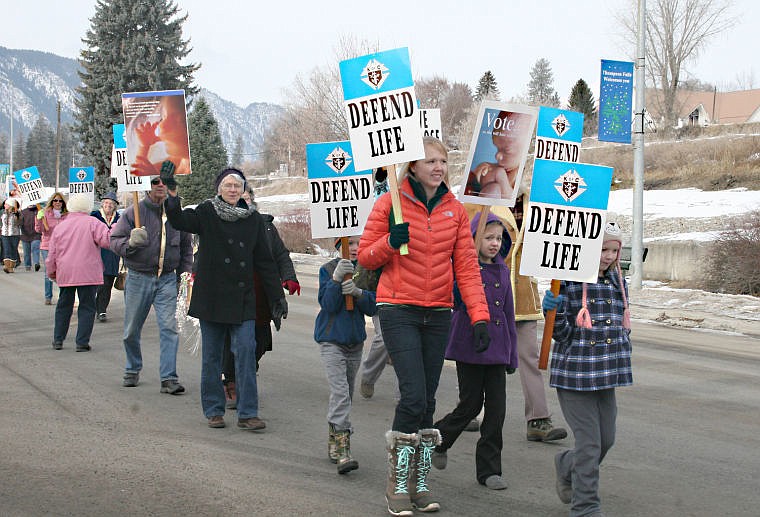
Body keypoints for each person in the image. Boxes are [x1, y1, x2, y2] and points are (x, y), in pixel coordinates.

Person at [358, 136, 490, 516]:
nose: (437, 167)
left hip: (438, 313)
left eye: (442, 161)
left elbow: (466, 267)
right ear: (412, 166)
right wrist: (389, 242)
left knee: (429, 400)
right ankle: (397, 485)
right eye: (429, 161)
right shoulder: (390, 204)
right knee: (414, 395)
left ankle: (419, 483)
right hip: (398, 307)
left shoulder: (455, 210)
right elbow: (365, 256)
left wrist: (479, 316)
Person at [163, 166, 287, 431]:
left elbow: (265, 262)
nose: (233, 190)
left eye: (237, 186)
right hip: (212, 298)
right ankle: (214, 409)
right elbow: (178, 221)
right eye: (228, 185)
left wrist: (277, 297)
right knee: (212, 357)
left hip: (243, 299)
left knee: (245, 351)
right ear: (219, 188)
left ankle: (247, 413)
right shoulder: (206, 213)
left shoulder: (253, 219)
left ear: (243, 190)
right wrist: (172, 193)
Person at [543, 221, 633, 517]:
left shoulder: (617, 281)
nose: (608, 256)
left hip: (605, 374)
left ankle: (567, 464)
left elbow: (621, 325)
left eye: (613, 250)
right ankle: (585, 507)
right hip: (575, 373)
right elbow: (562, 334)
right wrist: (552, 312)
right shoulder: (568, 281)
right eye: (602, 249)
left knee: (606, 440)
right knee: (590, 444)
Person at [465, 194, 568, 442]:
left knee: (530, 359)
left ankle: (538, 418)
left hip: (522, 296)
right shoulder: (480, 199)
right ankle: (468, 410)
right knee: (478, 357)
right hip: (488, 294)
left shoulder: (539, 203)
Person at [431, 212, 518, 491]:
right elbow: (453, 299)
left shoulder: (503, 271)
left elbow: (508, 313)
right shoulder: (461, 268)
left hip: (497, 349)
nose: (494, 243)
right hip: (469, 345)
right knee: (470, 405)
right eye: (488, 237)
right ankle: (440, 439)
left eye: (499, 238)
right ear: (473, 240)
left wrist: (512, 354)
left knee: (496, 410)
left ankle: (489, 470)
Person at [110, 174, 193, 394]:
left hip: (166, 279)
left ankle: (169, 377)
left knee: (169, 328)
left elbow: (186, 249)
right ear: (147, 185)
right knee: (131, 329)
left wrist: (185, 276)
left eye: (165, 182)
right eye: (156, 181)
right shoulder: (132, 213)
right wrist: (130, 243)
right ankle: (132, 368)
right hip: (139, 277)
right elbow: (114, 240)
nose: (161, 186)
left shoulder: (177, 216)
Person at [221, 186, 300, 409]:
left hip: (261, 296)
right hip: (233, 296)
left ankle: (246, 371)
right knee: (233, 341)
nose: (244, 203)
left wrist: (289, 277)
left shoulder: (265, 227)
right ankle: (232, 382)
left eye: (247, 199)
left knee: (261, 341)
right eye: (239, 199)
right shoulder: (223, 225)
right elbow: (208, 253)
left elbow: (280, 254)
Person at [315, 236, 376, 474]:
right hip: (331, 340)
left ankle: (333, 438)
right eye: (349, 243)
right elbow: (328, 304)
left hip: (355, 342)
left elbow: (372, 307)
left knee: (346, 394)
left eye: (358, 243)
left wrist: (360, 293)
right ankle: (343, 448)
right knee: (340, 393)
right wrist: (336, 279)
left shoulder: (366, 271)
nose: (355, 248)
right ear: (338, 245)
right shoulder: (327, 269)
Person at [46, 194, 113, 351]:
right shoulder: (93, 223)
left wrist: (51, 272)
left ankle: (58, 339)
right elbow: (107, 241)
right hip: (89, 272)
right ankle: (82, 342)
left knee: (64, 306)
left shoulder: (60, 226)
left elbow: (52, 254)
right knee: (87, 307)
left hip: (66, 271)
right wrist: (115, 227)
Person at [464, 110, 534, 200]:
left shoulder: (526, 177)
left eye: (507, 150)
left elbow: (512, 198)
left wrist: (501, 178)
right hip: (484, 209)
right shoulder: (501, 167)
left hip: (508, 212)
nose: (497, 156)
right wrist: (480, 173)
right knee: (493, 188)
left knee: (495, 188)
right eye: (497, 148)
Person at [128, 94, 191, 177]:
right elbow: (138, 169)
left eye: (177, 120)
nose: (161, 126)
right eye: (164, 117)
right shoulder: (173, 162)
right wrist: (144, 146)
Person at [91, 192, 121, 323]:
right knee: (97, 284)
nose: (108, 205)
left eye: (111, 204)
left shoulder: (119, 218)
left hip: (112, 255)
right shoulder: (94, 216)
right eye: (106, 203)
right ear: (102, 204)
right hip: (96, 254)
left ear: (115, 206)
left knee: (107, 283)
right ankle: (95, 308)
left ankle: (102, 309)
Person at [35, 192, 69, 304]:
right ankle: (48, 297)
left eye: (60, 201)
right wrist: (39, 219)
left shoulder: (67, 215)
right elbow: (40, 230)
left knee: (62, 271)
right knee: (48, 271)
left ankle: (62, 296)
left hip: (62, 247)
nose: (57, 203)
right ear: (52, 202)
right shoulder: (45, 213)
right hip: (47, 246)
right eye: (55, 200)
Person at [19, 204, 42, 272]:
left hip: (36, 234)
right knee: (26, 252)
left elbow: (42, 221)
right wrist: (18, 218)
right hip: (25, 235)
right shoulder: (23, 212)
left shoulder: (39, 211)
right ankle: (28, 265)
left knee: (35, 249)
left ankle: (36, 263)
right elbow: (19, 223)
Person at [2, 198, 22, 273]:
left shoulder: (17, 213)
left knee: (13, 250)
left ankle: (11, 267)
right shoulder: (2, 212)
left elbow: (20, 223)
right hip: (5, 234)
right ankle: (6, 266)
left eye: (6, 204)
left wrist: (17, 216)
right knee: (7, 249)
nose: (4, 205)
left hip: (15, 234)